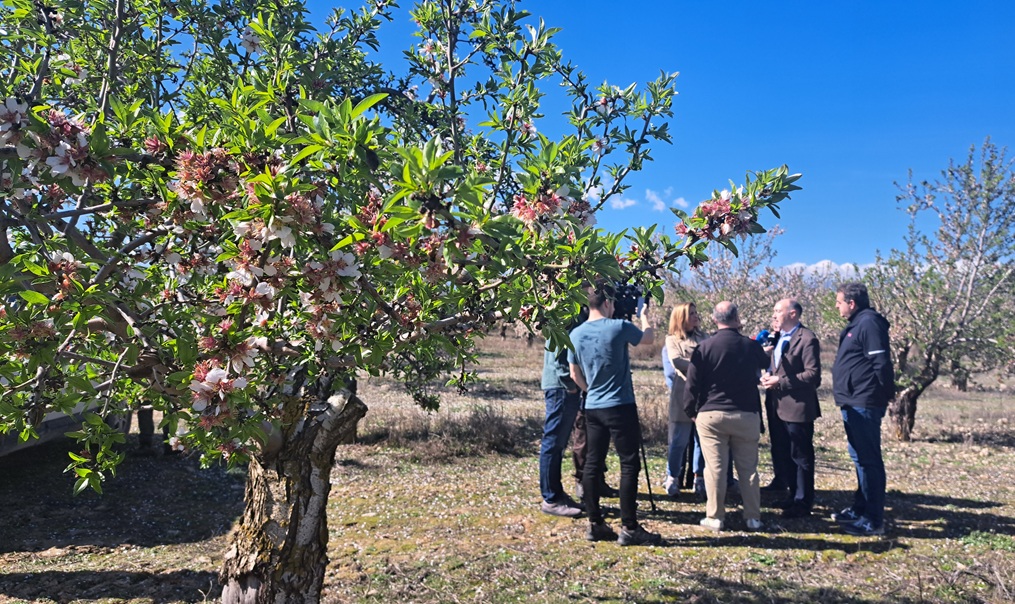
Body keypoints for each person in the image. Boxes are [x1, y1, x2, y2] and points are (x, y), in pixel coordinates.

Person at [569, 280, 661, 546]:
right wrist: (644, 316)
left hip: (593, 406)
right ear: (608, 303)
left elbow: (575, 373)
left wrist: (591, 391)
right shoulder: (618, 327)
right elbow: (649, 339)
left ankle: (595, 523)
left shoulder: (575, 334)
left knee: (592, 463)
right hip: (620, 404)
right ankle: (629, 527)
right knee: (628, 463)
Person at [684, 301, 769, 532]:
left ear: (714, 319)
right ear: (737, 318)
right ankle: (752, 517)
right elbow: (766, 364)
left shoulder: (704, 347)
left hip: (712, 414)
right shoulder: (750, 346)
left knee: (714, 468)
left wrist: (691, 411)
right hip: (746, 414)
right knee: (748, 469)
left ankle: (715, 516)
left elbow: (691, 384)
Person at [831, 282, 895, 536]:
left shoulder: (869, 323)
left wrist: (881, 396)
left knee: (869, 461)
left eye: (839, 302)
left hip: (864, 402)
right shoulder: (856, 324)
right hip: (853, 400)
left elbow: (880, 363)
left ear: (852, 303)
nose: (836, 306)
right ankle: (860, 508)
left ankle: (873, 518)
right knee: (860, 458)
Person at [759, 298, 821, 518]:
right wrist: (767, 375)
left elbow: (813, 375)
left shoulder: (807, 339)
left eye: (778, 311)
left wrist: (780, 382)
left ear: (793, 314)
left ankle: (804, 502)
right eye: (774, 310)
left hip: (797, 407)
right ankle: (791, 495)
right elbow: (775, 367)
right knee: (783, 451)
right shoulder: (777, 338)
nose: (774, 315)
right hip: (776, 406)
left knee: (800, 455)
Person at [539, 313, 588, 517]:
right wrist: (570, 385)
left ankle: (557, 494)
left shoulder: (567, 311)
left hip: (562, 386)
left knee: (557, 444)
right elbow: (559, 355)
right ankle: (551, 498)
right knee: (553, 443)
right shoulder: (566, 314)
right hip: (561, 387)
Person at [662, 302, 707, 497]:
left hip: (705, 395)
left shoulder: (705, 337)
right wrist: (703, 366)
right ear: (681, 318)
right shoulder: (672, 340)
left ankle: (699, 478)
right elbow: (676, 362)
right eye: (692, 314)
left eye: (696, 313)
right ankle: (673, 477)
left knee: (702, 440)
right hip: (682, 395)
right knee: (679, 440)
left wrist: (694, 366)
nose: (696, 317)